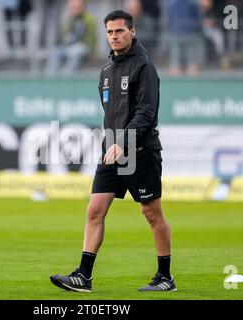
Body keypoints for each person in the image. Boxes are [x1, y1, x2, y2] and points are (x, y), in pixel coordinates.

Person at [50, 10, 176, 292]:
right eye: (109, 32)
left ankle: (165, 277)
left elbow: (146, 113)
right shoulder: (106, 70)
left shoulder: (145, 67)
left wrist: (124, 142)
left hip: (140, 152)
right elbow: (110, 113)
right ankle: (84, 275)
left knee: (151, 213)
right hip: (111, 151)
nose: (114, 36)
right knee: (94, 210)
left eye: (119, 31)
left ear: (132, 31)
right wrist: (113, 143)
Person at [45, 0, 97, 76]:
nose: (74, 9)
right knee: (56, 52)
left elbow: (93, 38)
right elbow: (65, 36)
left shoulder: (90, 19)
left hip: (83, 46)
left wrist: (94, 52)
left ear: (82, 7)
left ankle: (66, 77)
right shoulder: (70, 19)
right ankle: (50, 77)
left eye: (76, 7)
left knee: (75, 53)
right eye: (72, 7)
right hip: (69, 46)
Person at [167, 0, 205, 76]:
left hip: (176, 33)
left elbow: (169, 18)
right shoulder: (194, 3)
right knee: (192, 65)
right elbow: (199, 19)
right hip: (191, 34)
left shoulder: (171, 3)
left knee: (175, 64)